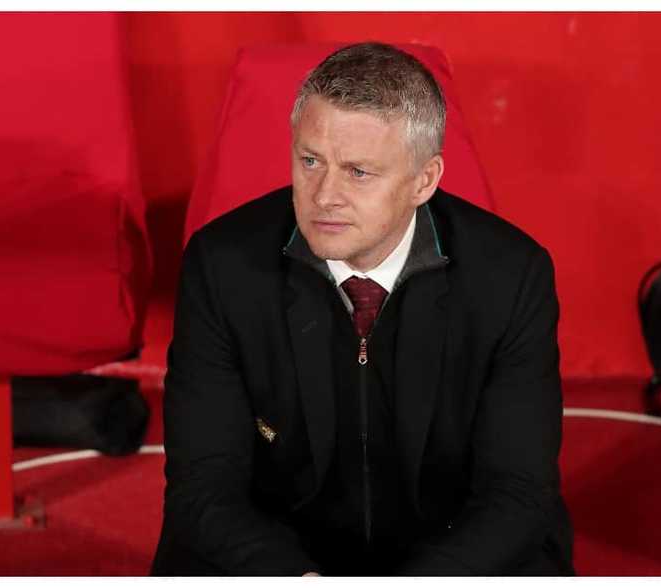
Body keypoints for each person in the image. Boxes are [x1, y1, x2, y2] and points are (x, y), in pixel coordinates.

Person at [151, 42, 573, 576]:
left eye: (359, 172)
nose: (324, 194)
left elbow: (517, 492)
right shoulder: (221, 265)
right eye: (310, 161)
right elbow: (203, 484)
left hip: (453, 553)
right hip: (277, 551)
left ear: (425, 180)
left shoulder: (511, 276)